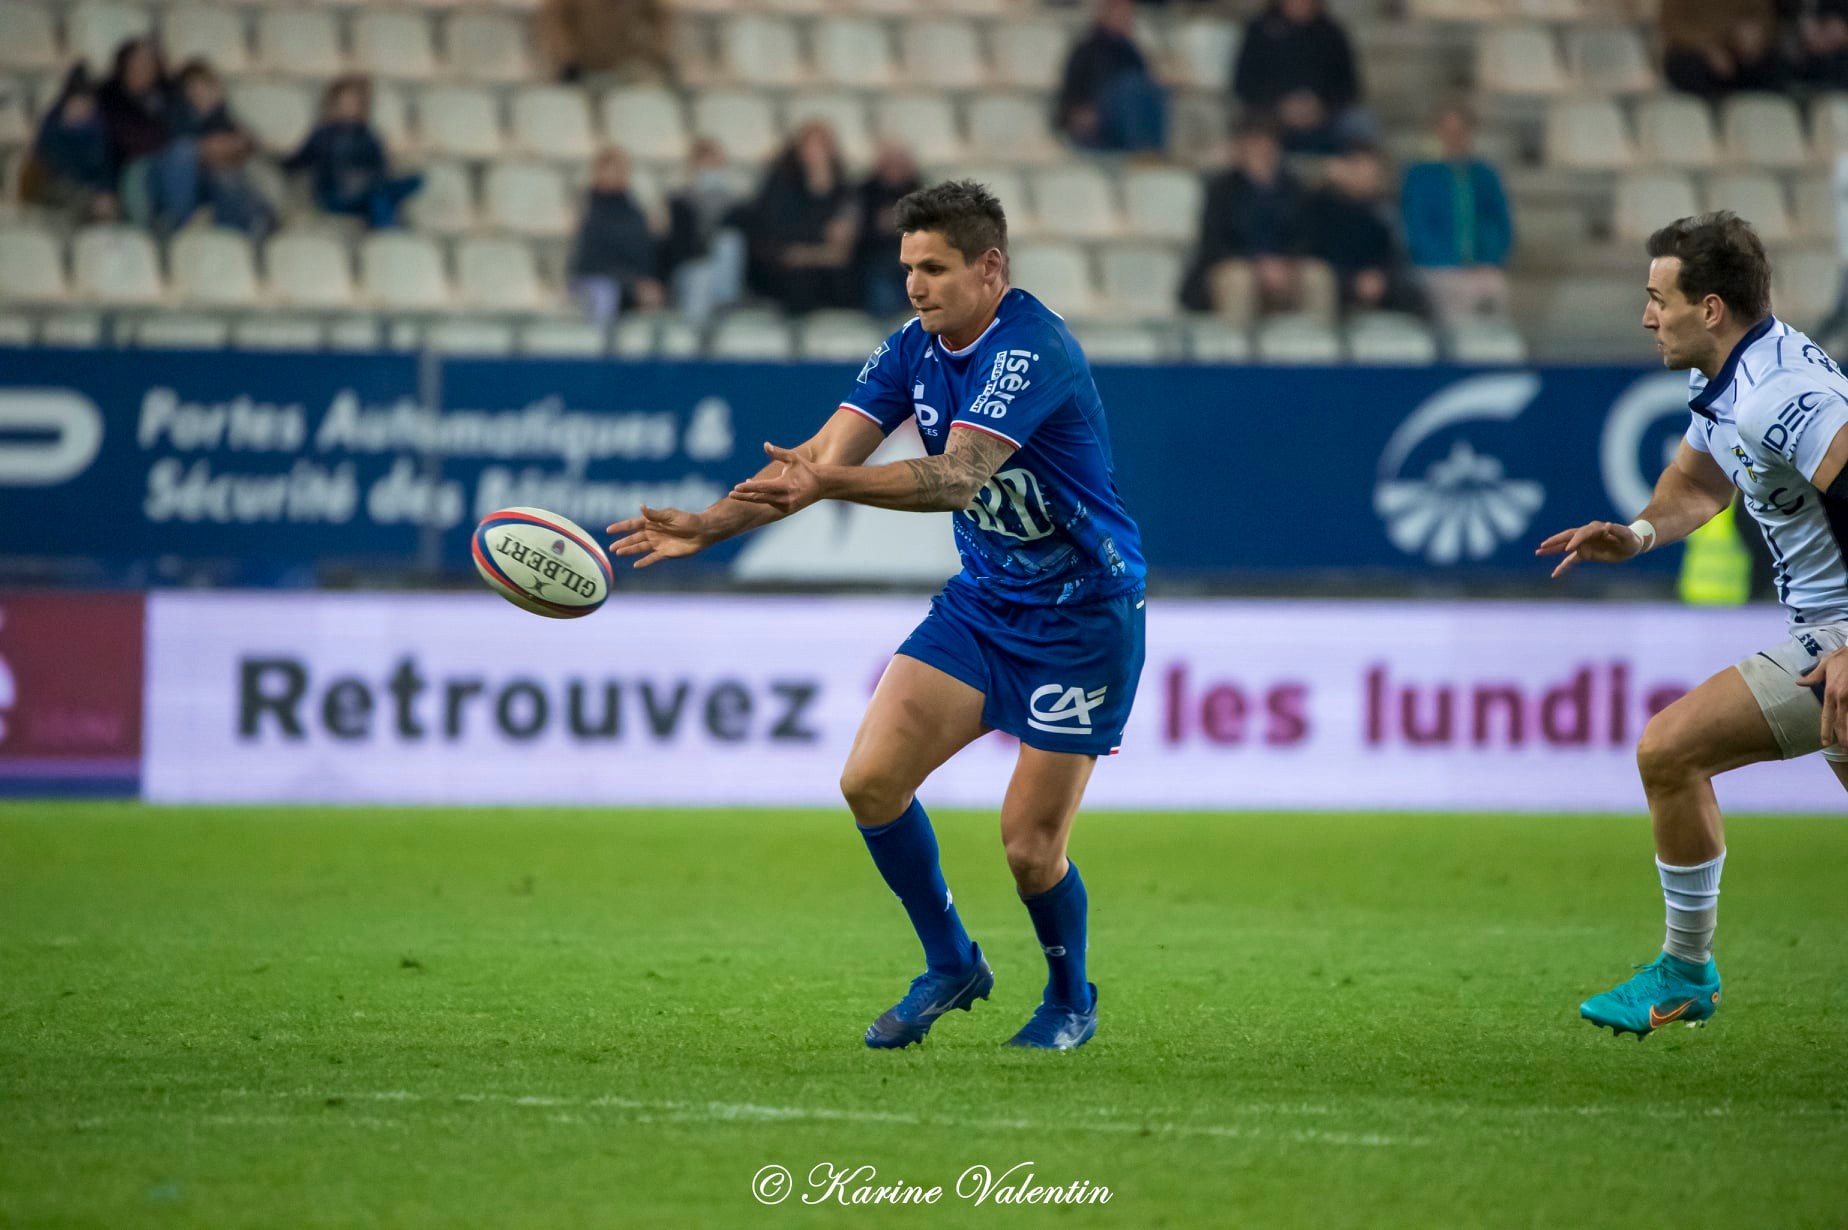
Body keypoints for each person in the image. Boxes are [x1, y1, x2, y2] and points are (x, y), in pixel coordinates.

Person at [608, 180, 1148, 1052]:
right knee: (870, 782)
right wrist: (710, 525)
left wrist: (827, 484)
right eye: (908, 268)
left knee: (1028, 849)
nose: (916, 286)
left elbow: (956, 478)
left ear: (990, 268)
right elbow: (817, 457)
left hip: (1083, 617)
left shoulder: (1031, 349)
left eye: (935, 268)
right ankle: (952, 962)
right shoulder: (910, 349)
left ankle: (1068, 997)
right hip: (985, 603)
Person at [1537, 211, 1848, 1039]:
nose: (1647, 317)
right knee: (1672, 753)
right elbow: (1700, 483)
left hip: (1841, 634)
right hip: (1828, 632)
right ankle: (1684, 972)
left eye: (1658, 299)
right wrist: (1637, 534)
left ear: (1710, 309)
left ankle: (1684, 971)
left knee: (1670, 749)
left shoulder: (1783, 396)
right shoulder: (1731, 380)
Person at [1178, 117, 1309, 320]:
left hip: (1283, 266)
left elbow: (1305, 235)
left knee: (1316, 276)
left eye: (1265, 141)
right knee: (1240, 279)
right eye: (1252, 142)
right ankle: (1235, 339)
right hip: (1235, 264)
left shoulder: (1294, 189)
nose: (1259, 149)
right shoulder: (1222, 189)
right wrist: (1257, 264)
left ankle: (1312, 338)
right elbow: (1214, 241)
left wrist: (1286, 262)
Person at [1401, 101, 1513, 328]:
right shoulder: (1420, 175)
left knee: (1493, 287)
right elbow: (1416, 228)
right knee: (1458, 293)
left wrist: (1489, 258)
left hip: (1480, 266)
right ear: (1437, 132)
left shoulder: (1484, 175)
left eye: (1460, 131)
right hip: (1436, 264)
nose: (1453, 138)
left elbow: (1500, 222)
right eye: (1447, 131)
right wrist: (1450, 262)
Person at [746, 122, 859, 314]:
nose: (817, 154)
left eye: (822, 147)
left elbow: (842, 250)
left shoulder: (843, 190)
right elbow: (780, 240)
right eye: (812, 147)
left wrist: (815, 253)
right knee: (801, 284)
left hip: (826, 270)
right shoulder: (780, 184)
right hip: (781, 269)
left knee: (846, 283)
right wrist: (820, 249)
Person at [1232, 0, 1370, 154]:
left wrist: (1322, 107)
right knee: (1253, 127)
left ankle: (1355, 167)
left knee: (1358, 122)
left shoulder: (1332, 32)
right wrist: (1281, 105)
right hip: (1271, 114)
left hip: (1327, 115)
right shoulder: (1259, 30)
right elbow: (1244, 84)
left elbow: (1349, 86)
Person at [283, 77, 422, 229]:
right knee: (379, 196)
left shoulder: (368, 134)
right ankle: (387, 232)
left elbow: (381, 167)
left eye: (353, 103)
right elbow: (298, 161)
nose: (348, 107)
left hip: (366, 189)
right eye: (344, 102)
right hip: (336, 196)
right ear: (333, 103)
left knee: (409, 182)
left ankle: (387, 221)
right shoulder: (323, 134)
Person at [1053, 0, 1168, 153]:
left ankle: (1149, 151)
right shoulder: (1086, 50)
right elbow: (1072, 97)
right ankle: (1142, 151)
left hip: (1125, 125)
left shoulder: (1132, 53)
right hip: (1098, 125)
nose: (1125, 18)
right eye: (1120, 12)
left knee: (1152, 90)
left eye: (1128, 14)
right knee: (1130, 87)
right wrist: (1080, 114)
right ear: (1105, 14)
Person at [568, 146, 663, 323]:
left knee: (652, 296)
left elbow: (643, 254)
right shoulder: (589, 210)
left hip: (628, 281)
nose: (612, 176)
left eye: (618, 170)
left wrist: (647, 281)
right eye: (608, 170)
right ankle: (601, 340)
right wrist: (631, 282)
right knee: (606, 292)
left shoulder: (635, 212)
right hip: (593, 277)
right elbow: (593, 260)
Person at [661, 138, 747, 326]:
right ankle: (698, 332)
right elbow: (677, 249)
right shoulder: (679, 201)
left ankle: (723, 307)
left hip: (725, 277)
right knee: (702, 275)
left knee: (728, 242)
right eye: (706, 163)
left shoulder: (736, 206)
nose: (710, 169)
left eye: (715, 163)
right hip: (689, 272)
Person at [21, 67, 118, 223]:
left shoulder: (99, 129)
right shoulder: (53, 125)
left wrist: (105, 191)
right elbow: (54, 163)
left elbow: (104, 168)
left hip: (88, 190)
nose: (83, 107)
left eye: (87, 101)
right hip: (53, 186)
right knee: (81, 202)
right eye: (79, 100)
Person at [855, 140, 923, 317]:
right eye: (889, 162)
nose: (894, 168)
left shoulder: (921, 193)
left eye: (898, 161)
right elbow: (856, 237)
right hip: (875, 261)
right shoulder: (864, 193)